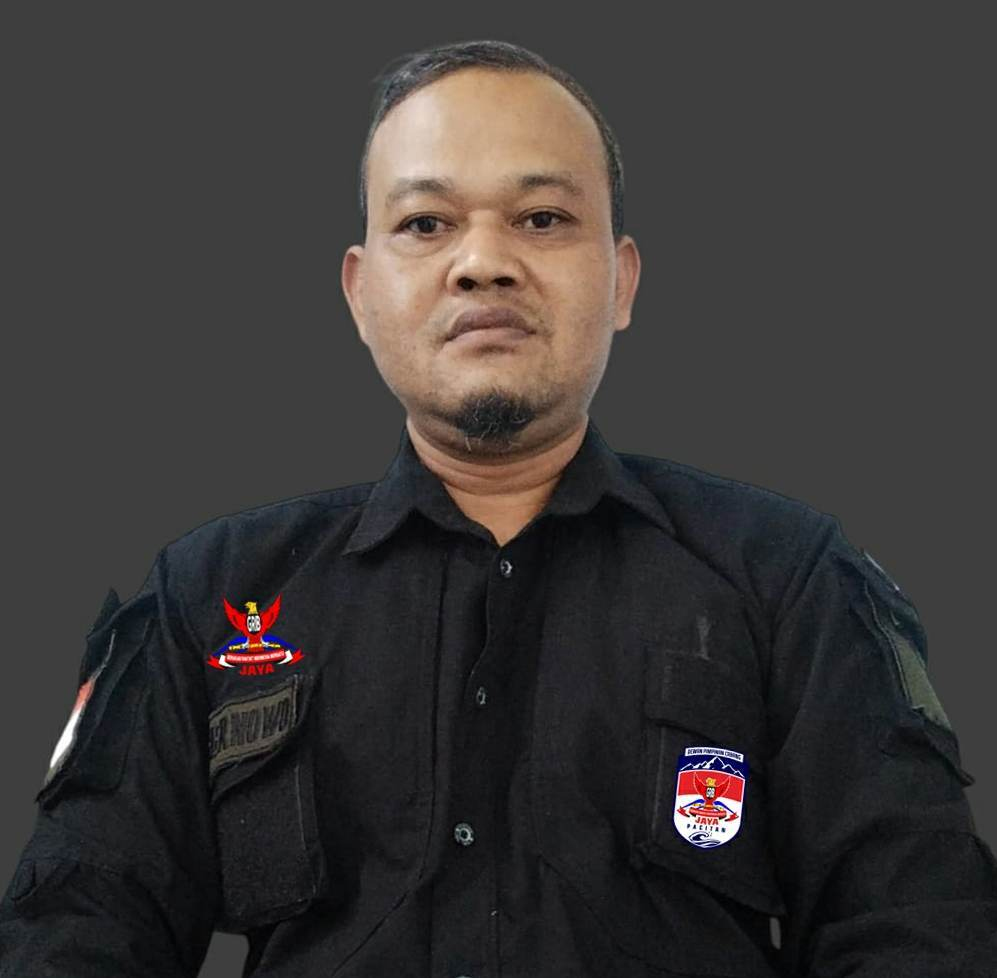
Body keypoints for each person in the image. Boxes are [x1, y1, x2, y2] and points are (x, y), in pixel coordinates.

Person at [1, 38, 994, 978]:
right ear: (360, 295)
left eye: (542, 219)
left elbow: (918, 924)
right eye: (425, 224)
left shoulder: (786, 576)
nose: (482, 262)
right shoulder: (213, 594)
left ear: (621, 281)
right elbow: (77, 925)